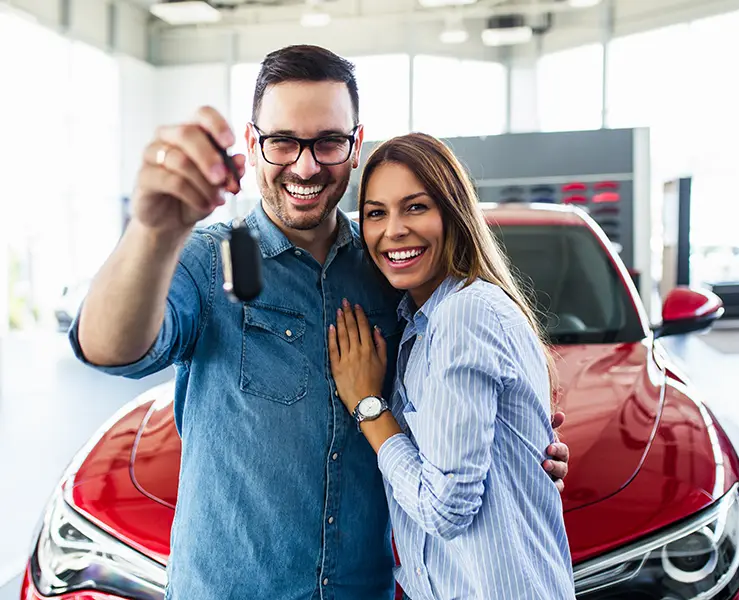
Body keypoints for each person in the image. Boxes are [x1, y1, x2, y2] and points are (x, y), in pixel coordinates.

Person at [68, 45, 570, 600]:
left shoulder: (390, 270)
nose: (305, 167)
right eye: (283, 141)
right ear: (253, 143)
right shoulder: (213, 261)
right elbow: (110, 349)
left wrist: (515, 448)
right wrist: (153, 231)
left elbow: (448, 395)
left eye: (328, 142)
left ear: (355, 146)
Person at [327, 132, 575, 599]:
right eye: (377, 213)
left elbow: (445, 510)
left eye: (416, 207)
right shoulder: (419, 324)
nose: (394, 230)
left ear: (453, 213)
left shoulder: (465, 314)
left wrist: (368, 407)